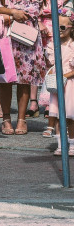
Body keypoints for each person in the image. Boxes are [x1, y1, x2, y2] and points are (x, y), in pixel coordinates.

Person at [0, 0, 49, 137]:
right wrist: (11, 12)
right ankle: (6, 118)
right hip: (6, 34)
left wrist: (18, 14)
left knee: (25, 78)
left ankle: (22, 118)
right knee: (6, 78)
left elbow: (37, 6)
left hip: (26, 33)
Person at [46, 8, 74, 155]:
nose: (59, 30)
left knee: (69, 116)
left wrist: (65, 76)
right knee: (57, 115)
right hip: (57, 84)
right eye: (57, 27)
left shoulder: (72, 45)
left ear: (71, 28)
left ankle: (72, 144)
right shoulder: (53, 44)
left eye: (63, 27)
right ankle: (60, 144)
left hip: (69, 84)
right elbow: (50, 63)